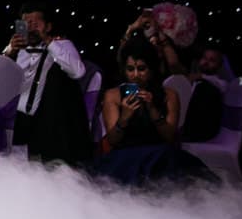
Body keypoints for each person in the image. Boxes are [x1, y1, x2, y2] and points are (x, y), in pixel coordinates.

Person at [90, 41, 213, 185]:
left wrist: (153, 109)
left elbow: (170, 137)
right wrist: (124, 117)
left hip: (159, 156)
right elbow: (112, 140)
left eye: (142, 69)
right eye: (130, 69)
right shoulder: (113, 95)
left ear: (152, 69)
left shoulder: (169, 95)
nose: (135, 75)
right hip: (125, 157)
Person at [7, 4, 92, 166]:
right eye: (26, 23)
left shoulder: (62, 45)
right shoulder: (16, 49)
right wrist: (10, 52)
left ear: (48, 26)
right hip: (22, 124)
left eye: (35, 23)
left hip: (53, 124)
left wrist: (48, 42)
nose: (31, 28)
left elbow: (78, 72)